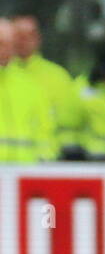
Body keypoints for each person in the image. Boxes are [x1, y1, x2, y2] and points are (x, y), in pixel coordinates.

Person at [0, 17, 53, 163]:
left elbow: (45, 130)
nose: (5, 50)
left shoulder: (30, 85)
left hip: (25, 174)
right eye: (1, 43)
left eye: (9, 44)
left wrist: (46, 161)